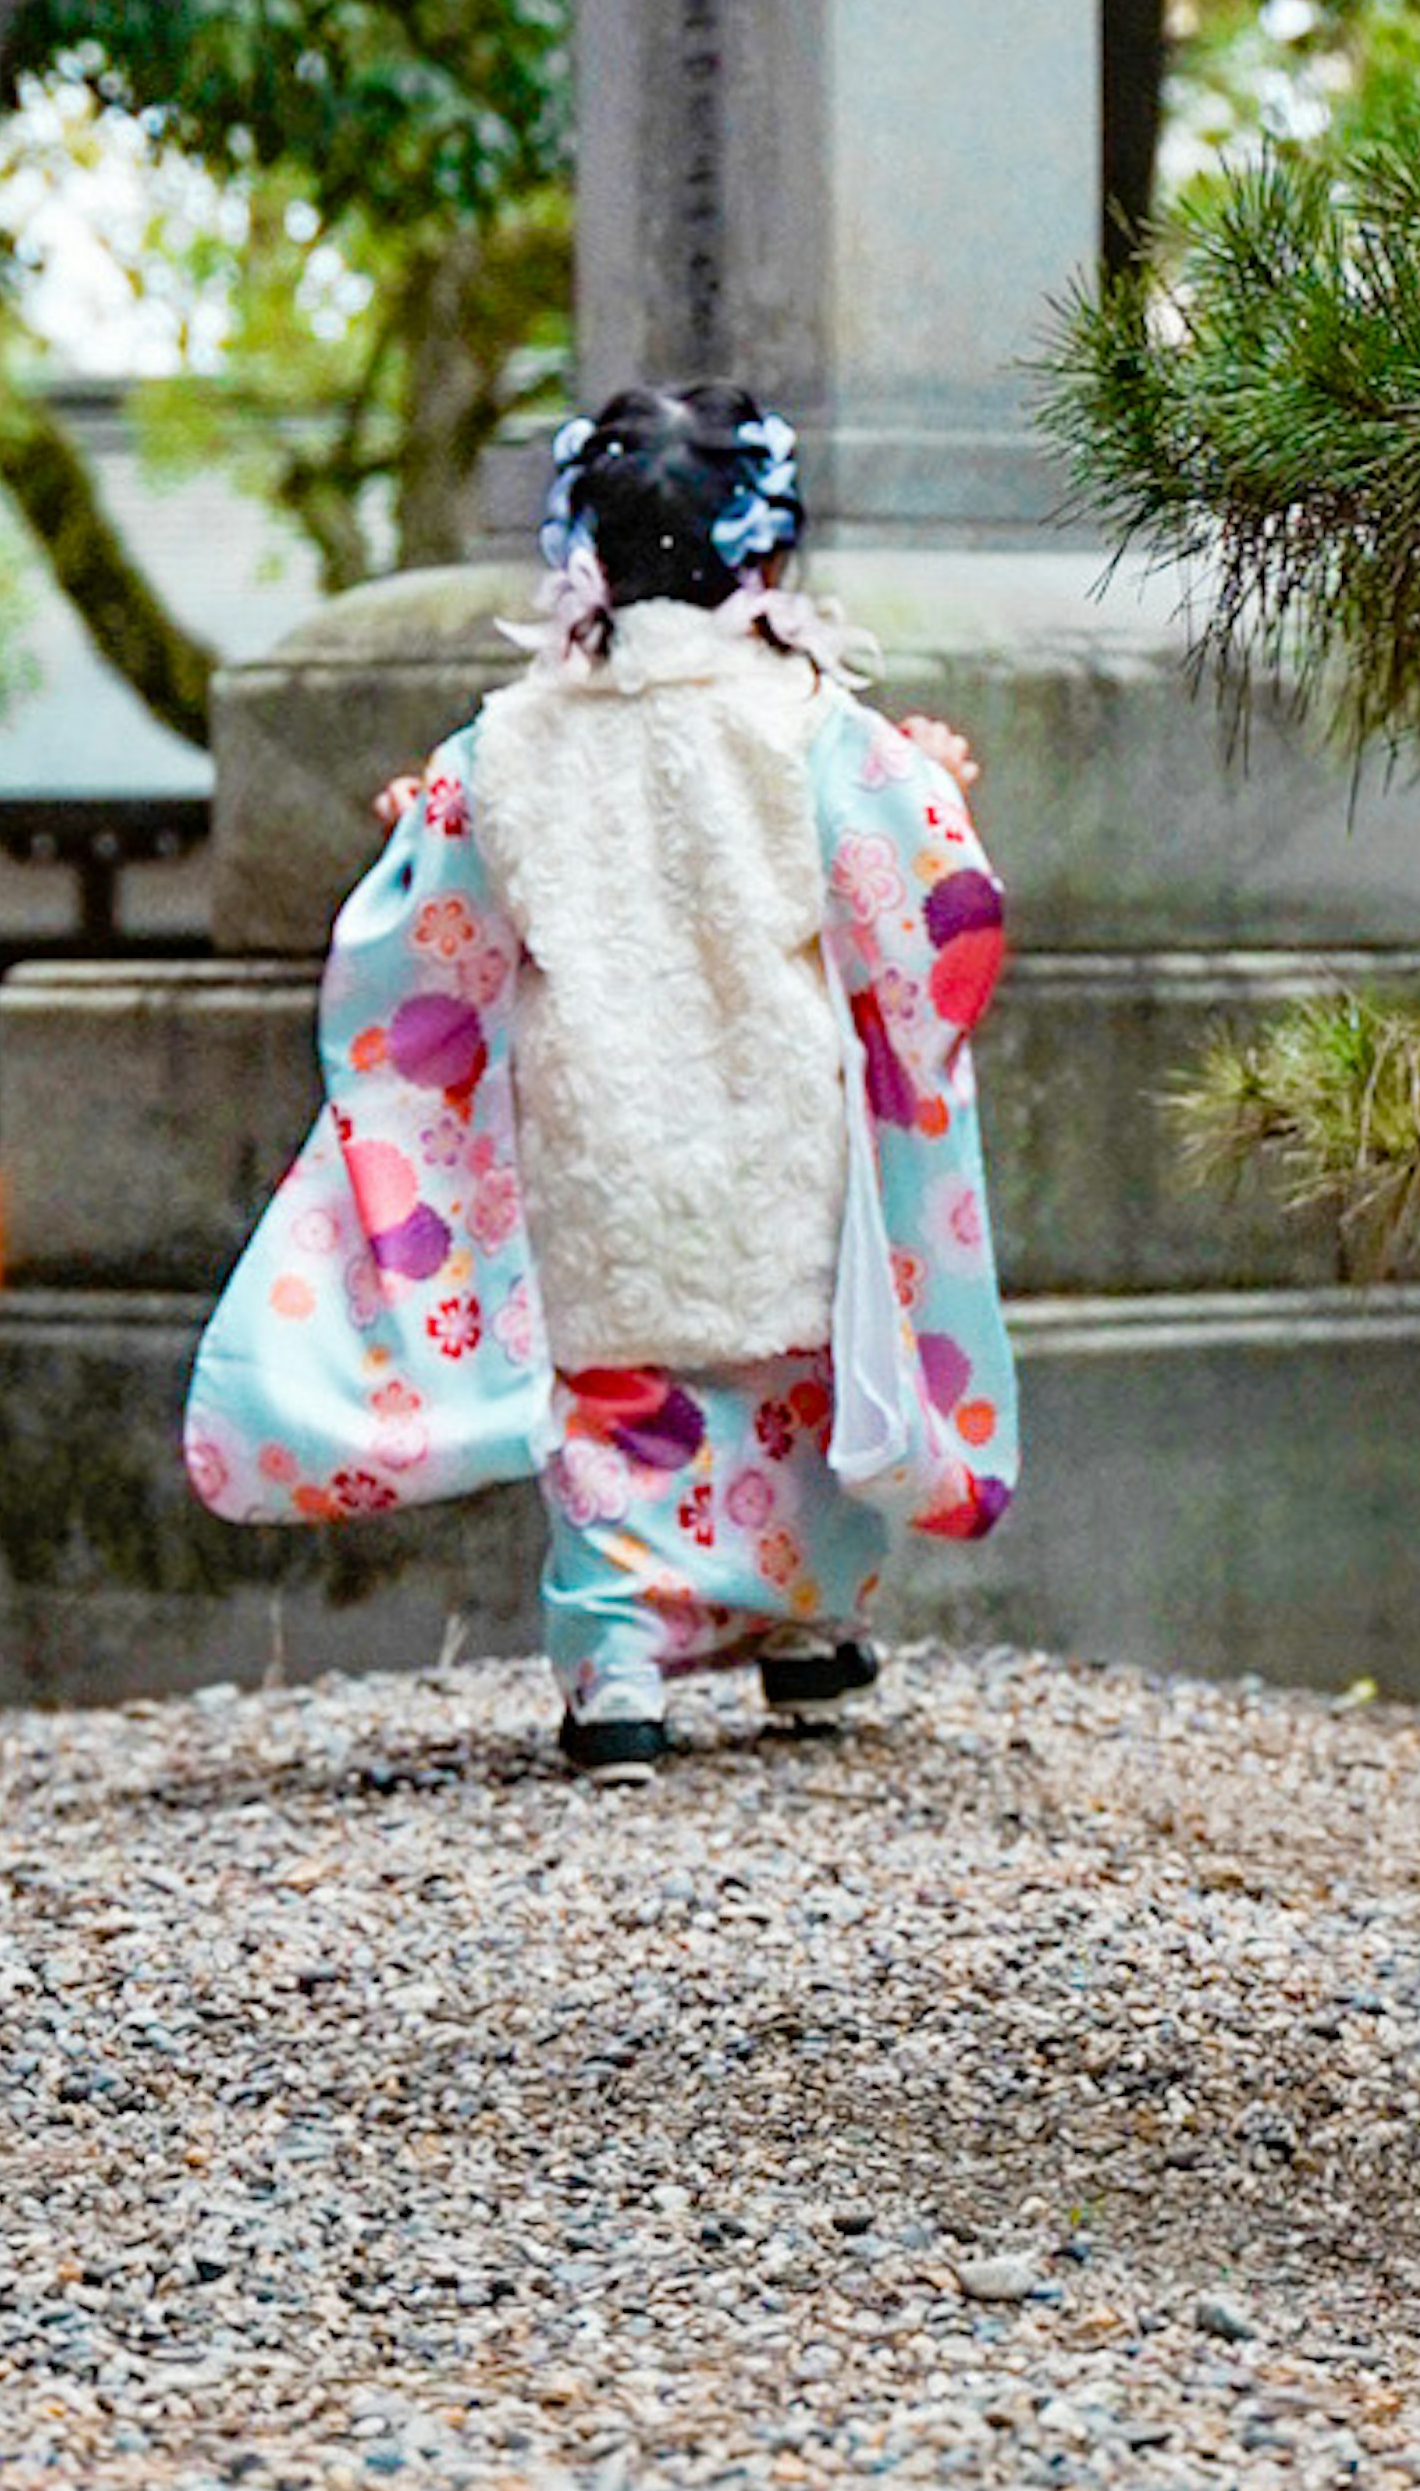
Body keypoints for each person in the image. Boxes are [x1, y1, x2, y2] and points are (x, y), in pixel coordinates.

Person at [182, 384, 1019, 1774]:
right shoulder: (819, 726)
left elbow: (428, 932)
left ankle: (618, 1666)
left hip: (592, 1126)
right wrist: (937, 785)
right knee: (789, 1378)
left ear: (584, 550)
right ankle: (806, 1634)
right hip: (774, 1115)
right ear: (770, 548)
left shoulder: (503, 743)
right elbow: (934, 909)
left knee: (618, 1405)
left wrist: (420, 836)